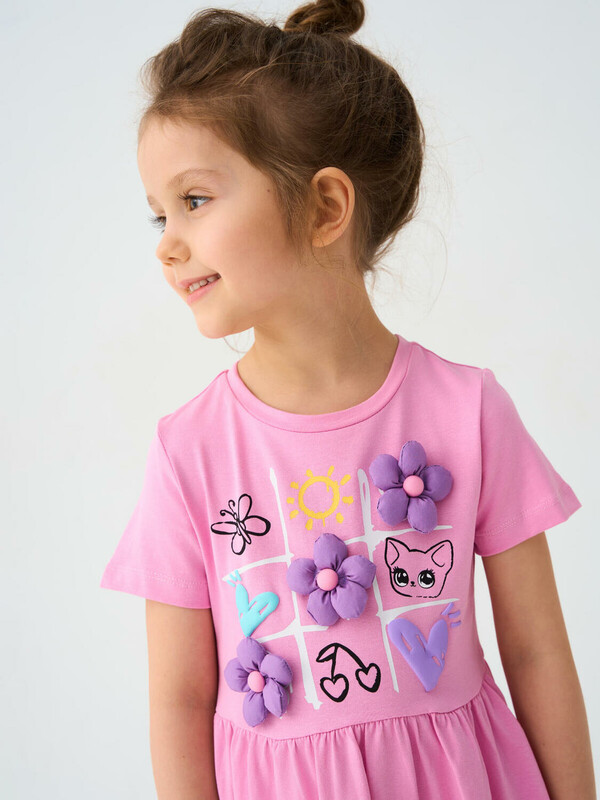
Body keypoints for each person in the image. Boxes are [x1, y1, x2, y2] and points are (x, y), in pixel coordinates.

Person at [100, 2, 596, 798]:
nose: (166, 242)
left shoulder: (468, 412)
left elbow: (537, 655)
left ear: (327, 207)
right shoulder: (189, 451)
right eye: (159, 213)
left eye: (194, 200)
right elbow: (180, 702)